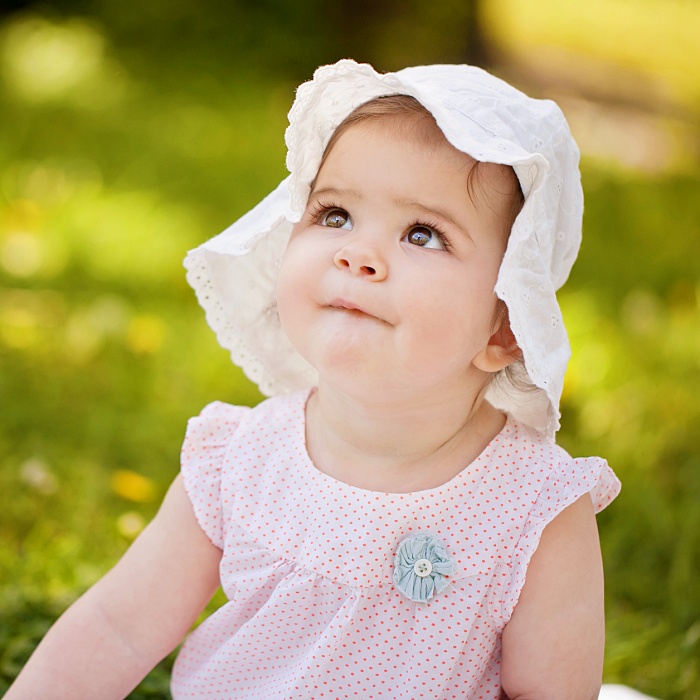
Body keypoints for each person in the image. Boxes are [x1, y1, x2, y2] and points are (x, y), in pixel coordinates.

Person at [7, 59, 630, 699]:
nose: (357, 253)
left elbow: (549, 693)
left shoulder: (534, 507)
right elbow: (118, 628)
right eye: (334, 215)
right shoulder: (242, 460)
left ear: (505, 326)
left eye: (423, 233)